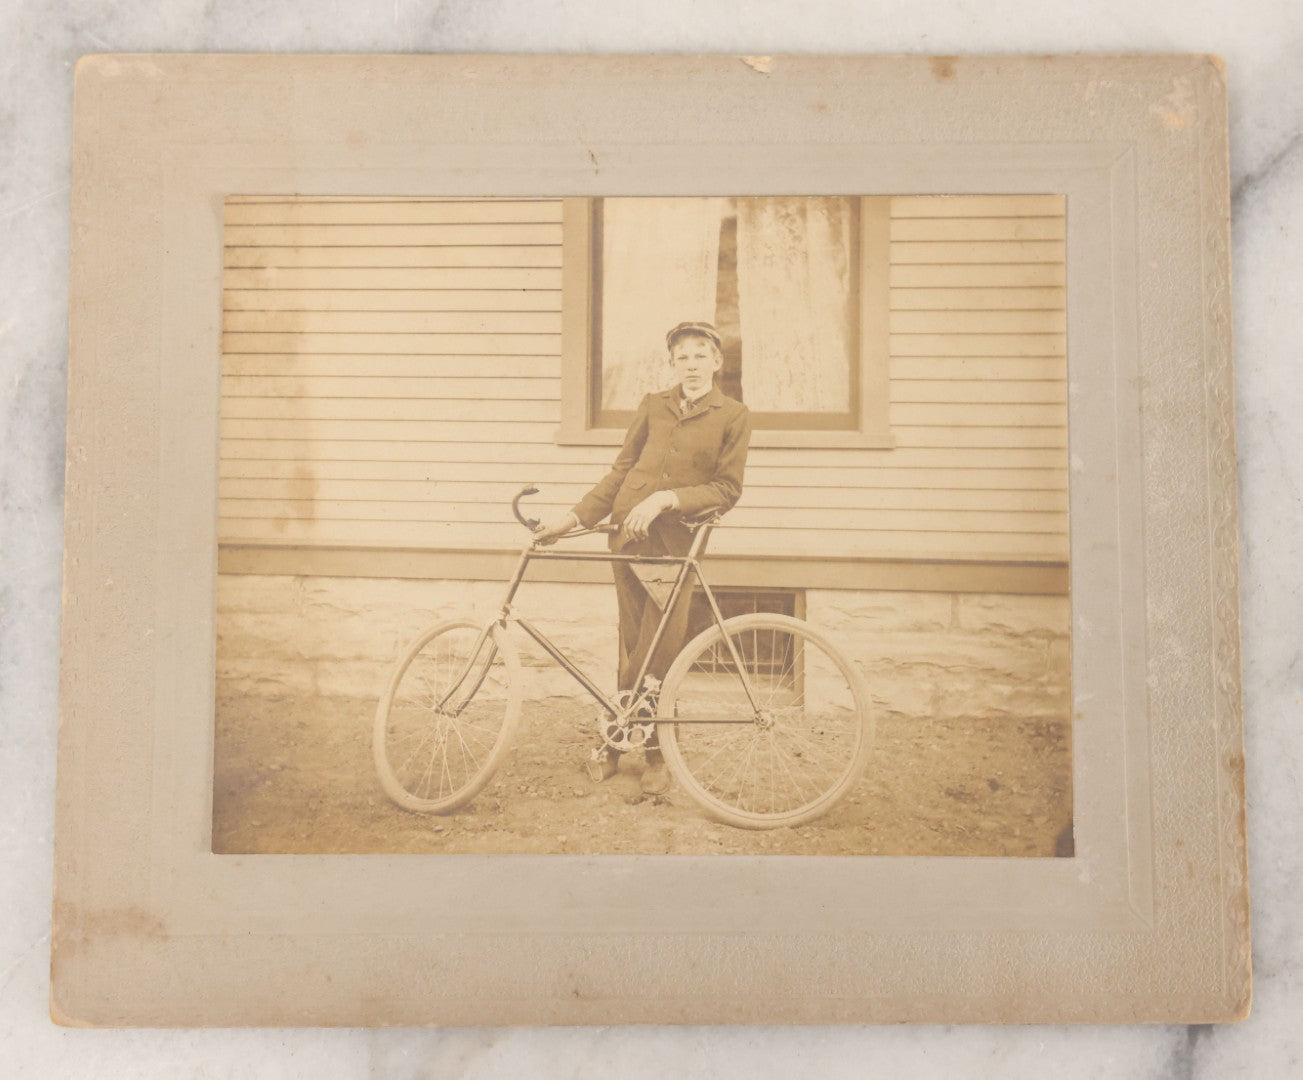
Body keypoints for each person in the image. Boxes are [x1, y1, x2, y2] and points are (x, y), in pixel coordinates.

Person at [533, 321, 752, 793]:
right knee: (632, 644)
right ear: (672, 363)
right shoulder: (653, 406)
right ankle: (617, 746)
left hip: (676, 548)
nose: (691, 364)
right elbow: (620, 473)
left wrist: (666, 499)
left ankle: (652, 753)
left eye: (700, 354)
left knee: (662, 648)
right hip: (626, 541)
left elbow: (726, 489)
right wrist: (571, 519)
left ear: (717, 361)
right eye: (681, 356)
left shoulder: (732, 415)